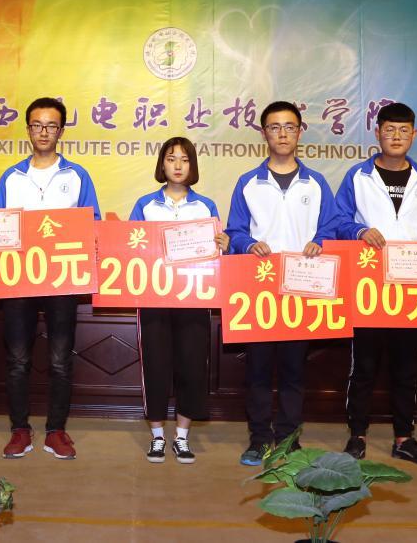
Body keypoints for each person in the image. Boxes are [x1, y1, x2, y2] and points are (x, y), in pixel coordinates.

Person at [0, 97, 100, 461]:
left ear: (61, 131)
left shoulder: (77, 175)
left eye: (51, 126)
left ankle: (56, 431)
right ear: (28, 129)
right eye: (37, 125)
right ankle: (20, 430)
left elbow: (91, 224)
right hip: (18, 280)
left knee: (60, 359)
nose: (43, 132)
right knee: (17, 359)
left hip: (63, 279)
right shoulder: (12, 177)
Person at [335, 101, 417, 467]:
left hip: (411, 286)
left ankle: (404, 438)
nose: (396, 136)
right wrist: (358, 230)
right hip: (369, 286)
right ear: (377, 133)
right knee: (364, 367)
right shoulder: (358, 175)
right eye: (389, 130)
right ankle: (357, 436)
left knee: (407, 369)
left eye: (403, 131)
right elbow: (338, 220)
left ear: (414, 135)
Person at [225, 101, 340, 466]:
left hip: (302, 287)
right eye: (274, 127)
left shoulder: (316, 183)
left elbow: (331, 226)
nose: (282, 133)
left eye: (289, 127)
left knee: (294, 370)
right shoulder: (248, 183)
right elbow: (234, 230)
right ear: (264, 134)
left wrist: (320, 242)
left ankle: (289, 440)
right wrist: (248, 244)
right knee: (258, 370)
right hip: (259, 288)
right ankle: (259, 439)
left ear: (300, 132)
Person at [128, 136, 229, 464]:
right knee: (155, 366)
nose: (178, 165)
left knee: (191, 366)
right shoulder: (145, 205)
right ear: (162, 164)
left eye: (184, 160)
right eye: (171, 159)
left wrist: (223, 244)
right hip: (153, 299)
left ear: (192, 166)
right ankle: (157, 436)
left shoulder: (205, 206)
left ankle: (182, 437)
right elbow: (130, 247)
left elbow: (216, 254)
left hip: (194, 298)